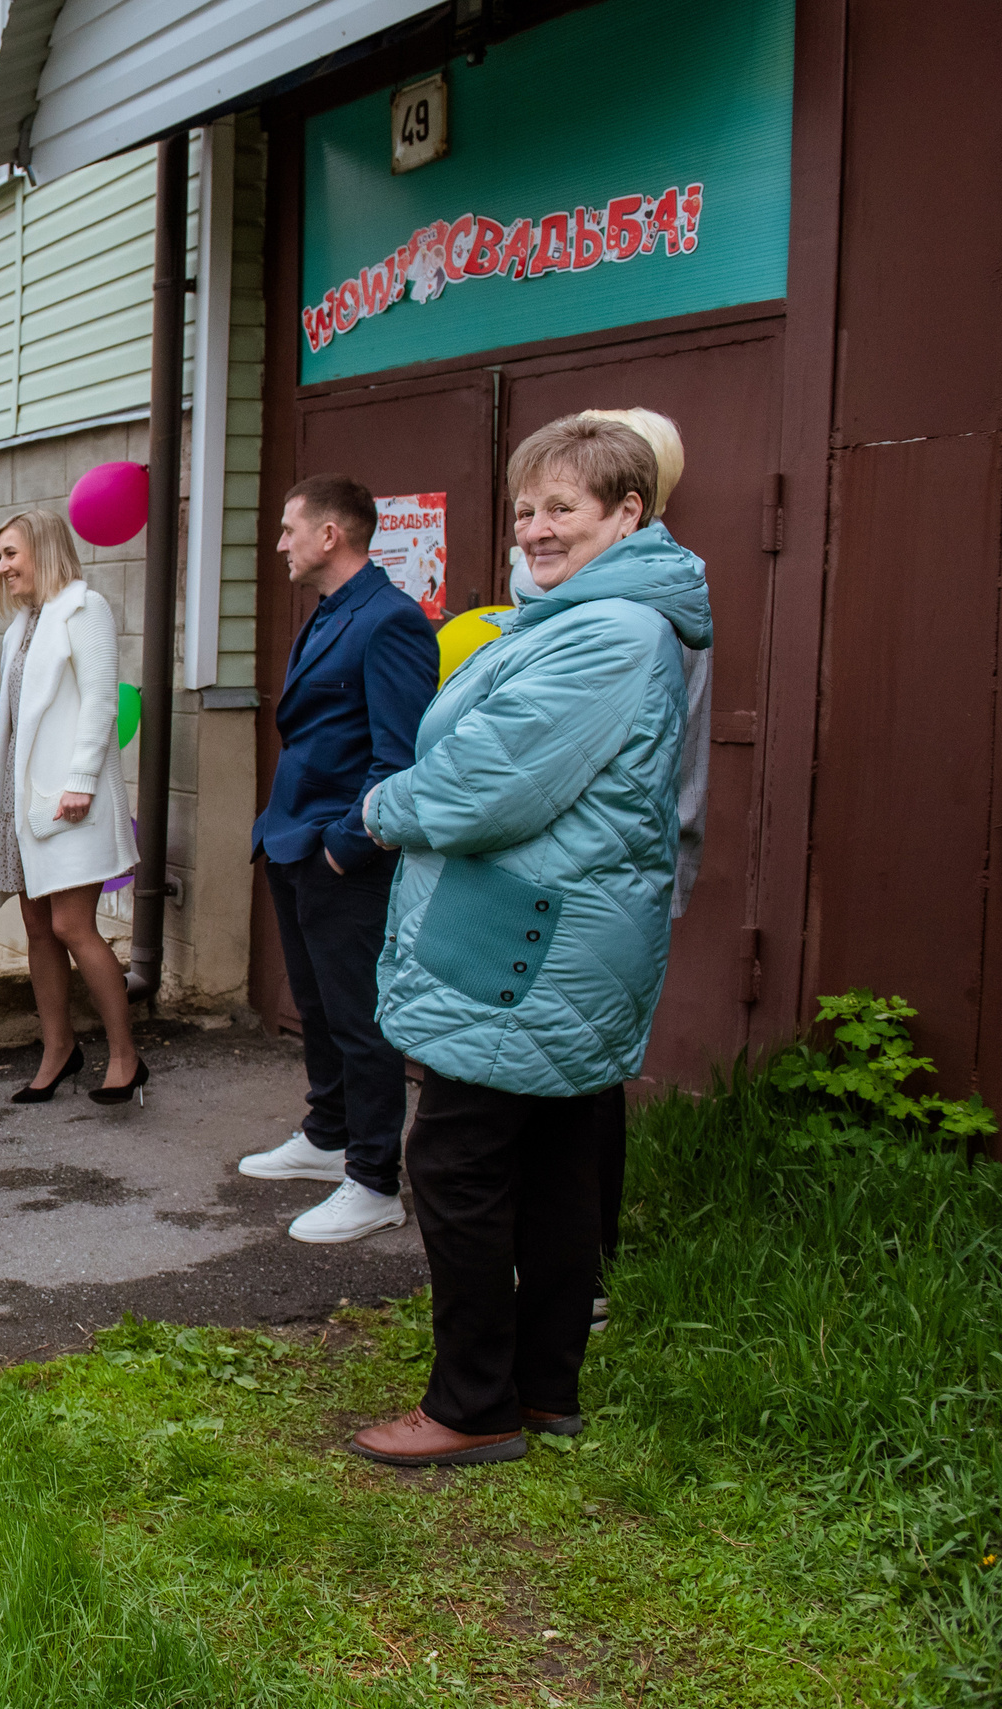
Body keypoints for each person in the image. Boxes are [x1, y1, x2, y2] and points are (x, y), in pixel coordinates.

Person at [346, 414, 708, 1469]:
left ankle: (471, 1403)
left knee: (454, 1161)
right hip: (552, 932)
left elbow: (483, 787)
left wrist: (380, 808)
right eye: (525, 508)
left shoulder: (608, 630)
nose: (536, 529)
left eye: (563, 508)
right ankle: (543, 1390)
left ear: (627, 513)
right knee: (554, 1162)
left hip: (522, 943)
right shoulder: (588, 613)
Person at [235, 475, 439, 1244]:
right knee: (316, 1005)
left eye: (290, 529)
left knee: (361, 1018)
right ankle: (327, 1136)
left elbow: (400, 757)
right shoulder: (329, 612)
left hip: (338, 851)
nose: (280, 542)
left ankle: (374, 1178)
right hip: (291, 839)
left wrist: (343, 849)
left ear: (331, 536)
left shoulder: (389, 621)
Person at [571, 408, 707, 1327]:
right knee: (573, 1082)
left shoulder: (643, 609)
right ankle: (566, 1266)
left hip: (619, 869)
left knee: (583, 1084)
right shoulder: (614, 594)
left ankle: (583, 1274)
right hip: (616, 868)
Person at [0, 510, 142, 1105]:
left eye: (11, 554)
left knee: (73, 925)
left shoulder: (85, 608)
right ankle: (58, 1050)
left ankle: (125, 1055)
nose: (2, 567)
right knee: (39, 930)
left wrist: (79, 780)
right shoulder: (21, 625)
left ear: (43, 550)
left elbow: (100, 702)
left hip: (71, 801)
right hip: (25, 802)